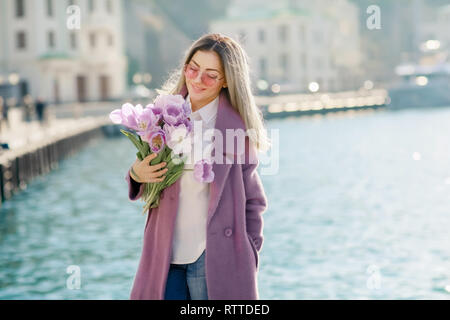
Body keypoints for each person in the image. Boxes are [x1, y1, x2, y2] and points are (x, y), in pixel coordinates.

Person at [125, 33, 270, 300]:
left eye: (210, 74)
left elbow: (254, 202)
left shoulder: (237, 130)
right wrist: (136, 174)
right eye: (193, 68)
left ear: (226, 80)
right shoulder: (161, 116)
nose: (197, 79)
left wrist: (248, 253)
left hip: (213, 256)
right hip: (165, 255)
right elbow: (145, 177)